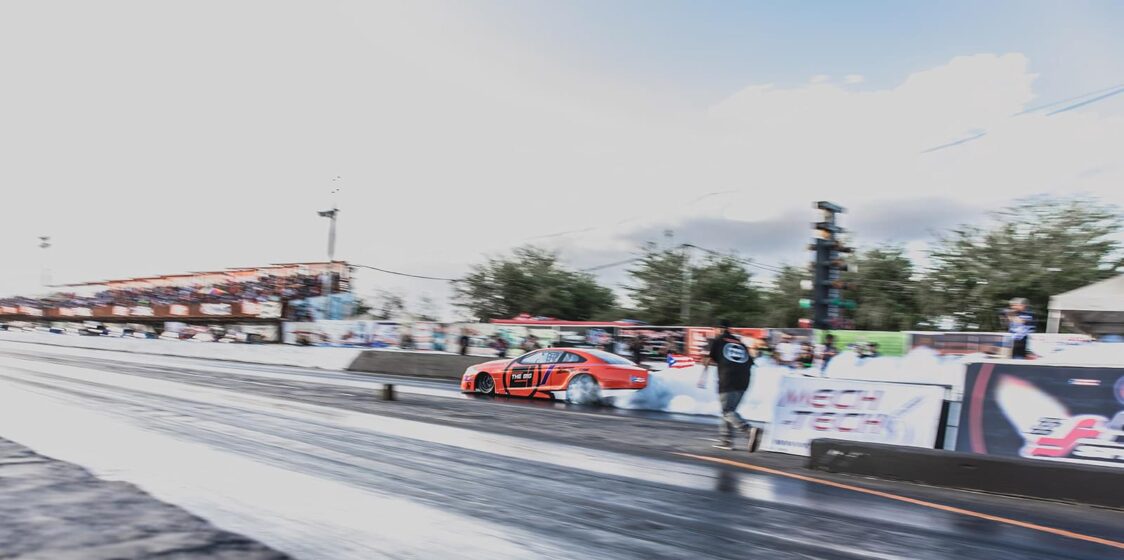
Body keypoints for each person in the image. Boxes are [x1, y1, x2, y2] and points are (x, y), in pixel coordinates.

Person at [697, 320, 758, 451]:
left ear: (718, 329)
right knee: (730, 411)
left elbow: (707, 360)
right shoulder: (740, 343)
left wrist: (703, 375)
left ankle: (749, 430)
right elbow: (751, 362)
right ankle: (726, 440)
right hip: (744, 380)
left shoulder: (717, 340)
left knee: (727, 412)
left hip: (728, 379)